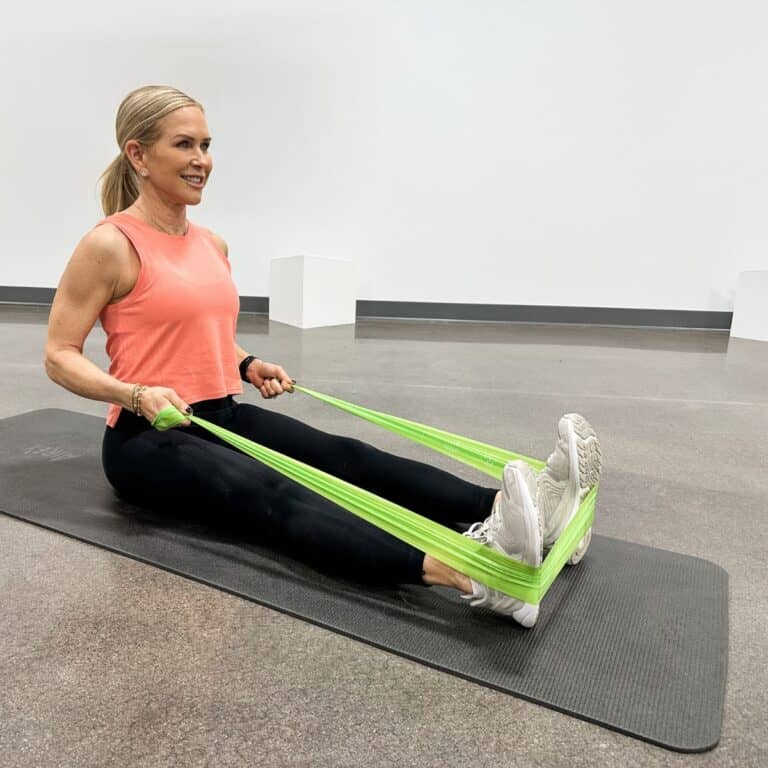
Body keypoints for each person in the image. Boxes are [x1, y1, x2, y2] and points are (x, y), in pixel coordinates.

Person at [44, 85, 602, 628]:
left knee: (345, 456)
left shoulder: (211, 244)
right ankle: (478, 576)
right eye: (184, 145)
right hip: (147, 436)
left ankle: (518, 509)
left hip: (219, 413)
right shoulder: (110, 244)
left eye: (206, 145)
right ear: (138, 155)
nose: (201, 161)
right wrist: (134, 393)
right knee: (275, 494)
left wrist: (243, 363)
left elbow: (191, 330)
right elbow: (59, 355)